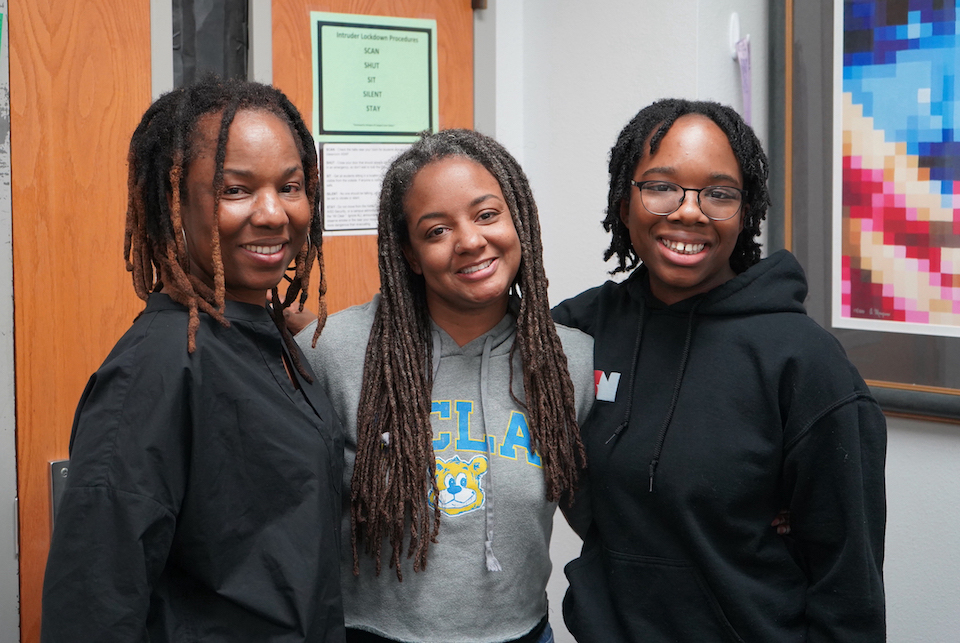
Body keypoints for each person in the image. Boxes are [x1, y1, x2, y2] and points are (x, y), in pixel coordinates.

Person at [552, 99, 887, 642]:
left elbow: (848, 587)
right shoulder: (582, 329)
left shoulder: (803, 361)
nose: (689, 212)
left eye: (719, 194)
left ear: (746, 211)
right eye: (660, 186)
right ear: (623, 201)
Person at [41, 77, 345, 642]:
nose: (273, 213)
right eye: (236, 190)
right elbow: (92, 601)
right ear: (174, 201)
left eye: (292, 186)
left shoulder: (265, 339)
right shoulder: (156, 368)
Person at [294, 129, 595, 643]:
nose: (471, 241)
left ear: (516, 220)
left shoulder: (567, 360)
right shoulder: (336, 353)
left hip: (522, 633)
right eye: (436, 231)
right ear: (410, 255)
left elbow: (616, 499)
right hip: (372, 634)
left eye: (486, 215)